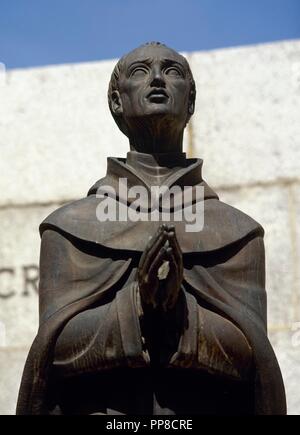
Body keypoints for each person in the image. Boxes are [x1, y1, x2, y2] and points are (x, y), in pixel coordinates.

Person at [17, 42, 286, 415]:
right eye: (140, 72)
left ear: (190, 102)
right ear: (116, 101)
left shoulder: (238, 231)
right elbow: (53, 352)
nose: (158, 79)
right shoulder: (70, 226)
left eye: (173, 71)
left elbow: (252, 360)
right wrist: (138, 306)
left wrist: (177, 312)